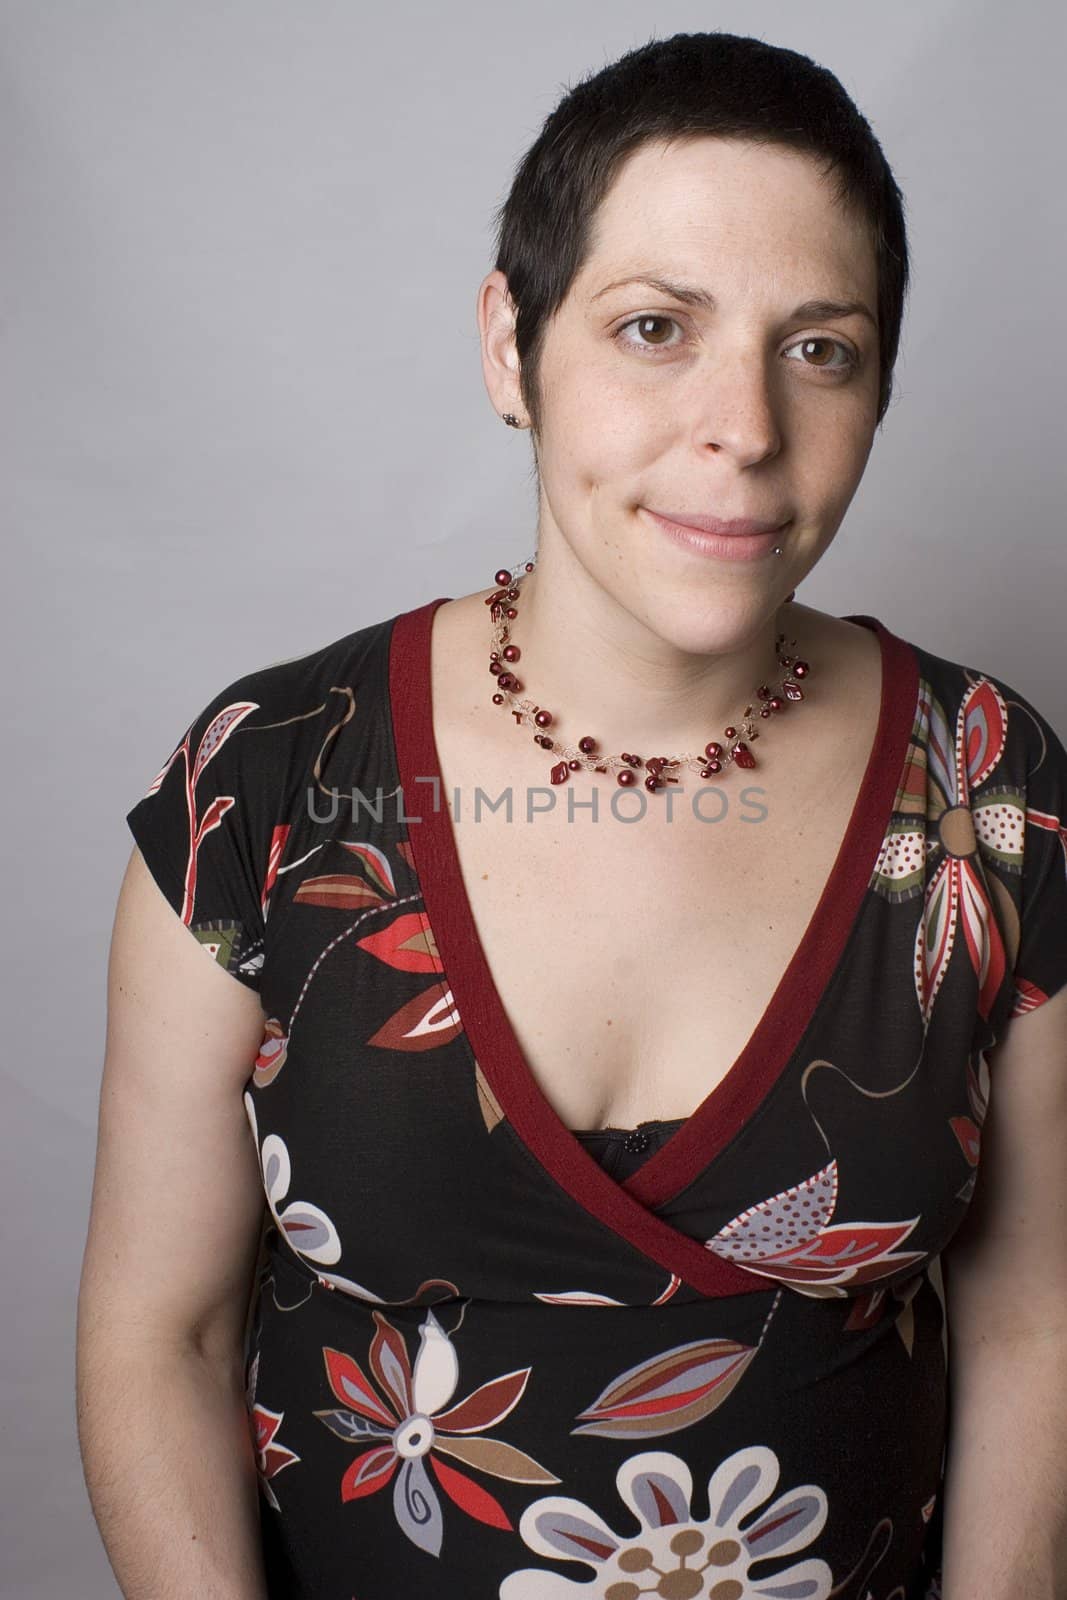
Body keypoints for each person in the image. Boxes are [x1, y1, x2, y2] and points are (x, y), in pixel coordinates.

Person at [76, 29, 1067, 1600]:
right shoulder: (265, 786)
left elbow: (1033, 1322)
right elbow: (162, 1330)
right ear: (508, 345)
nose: (744, 425)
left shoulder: (988, 790)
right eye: (656, 327)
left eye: (821, 347)